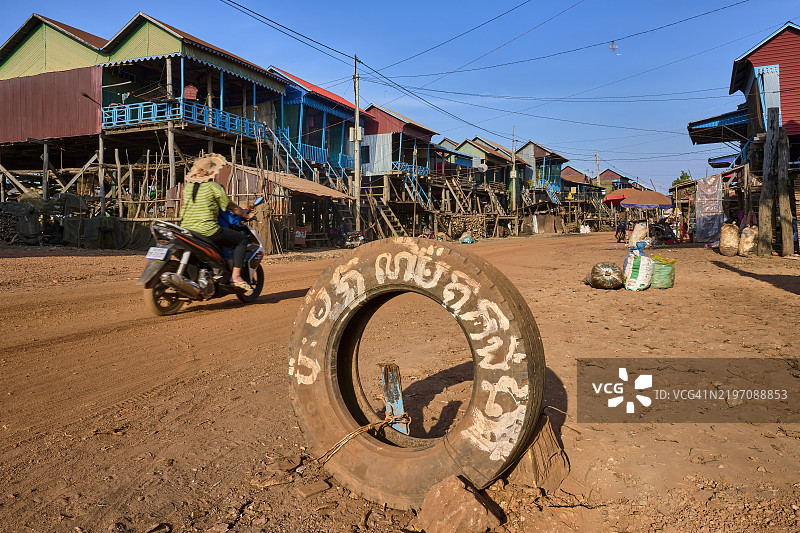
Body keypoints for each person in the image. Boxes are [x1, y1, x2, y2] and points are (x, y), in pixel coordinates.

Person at [179, 154, 254, 290]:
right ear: (211, 172)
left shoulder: (188, 187)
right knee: (241, 240)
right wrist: (245, 215)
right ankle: (236, 276)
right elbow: (232, 207)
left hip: (186, 230)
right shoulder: (214, 187)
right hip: (208, 230)